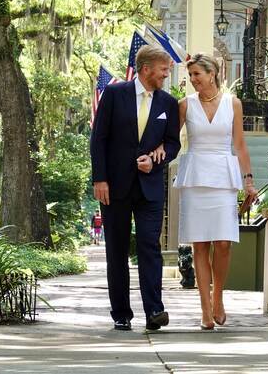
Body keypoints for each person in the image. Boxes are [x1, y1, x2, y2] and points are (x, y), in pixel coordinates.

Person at [89, 44, 181, 331]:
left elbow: (172, 143)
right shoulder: (115, 94)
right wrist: (100, 179)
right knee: (116, 250)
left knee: (149, 246)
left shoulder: (168, 103)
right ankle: (121, 314)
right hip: (114, 186)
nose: (167, 74)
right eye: (164, 69)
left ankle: (155, 309)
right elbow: (99, 139)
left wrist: (156, 159)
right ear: (146, 69)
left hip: (150, 188)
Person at [165, 53, 256, 330]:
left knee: (224, 243)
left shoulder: (233, 104)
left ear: (212, 74)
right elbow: (169, 140)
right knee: (200, 245)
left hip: (223, 178)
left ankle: (218, 296)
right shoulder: (185, 105)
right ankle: (205, 308)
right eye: (190, 75)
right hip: (195, 178)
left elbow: (239, 144)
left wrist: (248, 181)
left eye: (196, 75)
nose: (192, 80)